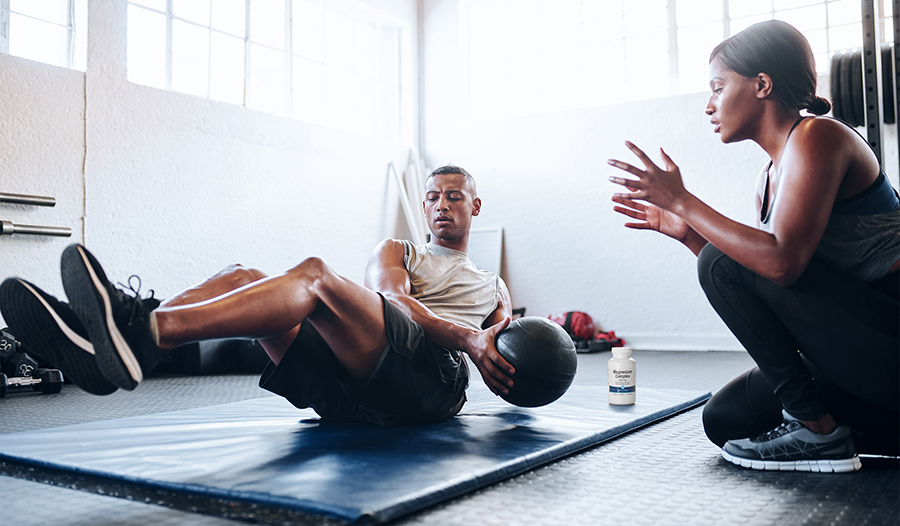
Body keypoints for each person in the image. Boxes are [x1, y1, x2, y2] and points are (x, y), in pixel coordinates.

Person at [0, 166, 515, 425]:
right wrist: (469, 335)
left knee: (315, 275)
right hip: (349, 392)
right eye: (432, 197)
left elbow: (510, 357)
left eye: (453, 196)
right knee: (242, 274)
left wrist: (496, 359)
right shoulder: (397, 251)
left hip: (427, 389)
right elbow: (394, 302)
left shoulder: (494, 287)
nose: (441, 205)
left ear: (475, 205)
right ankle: (118, 335)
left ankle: (141, 335)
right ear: (423, 209)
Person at [607, 20, 899, 473]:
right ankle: (847, 428)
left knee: (722, 260)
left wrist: (683, 200)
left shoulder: (819, 136)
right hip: (856, 346)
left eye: (718, 88)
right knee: (727, 418)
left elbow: (780, 264)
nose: (709, 105)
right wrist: (687, 232)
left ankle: (820, 434)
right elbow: (758, 278)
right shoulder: (769, 177)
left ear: (762, 84)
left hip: (887, 335)